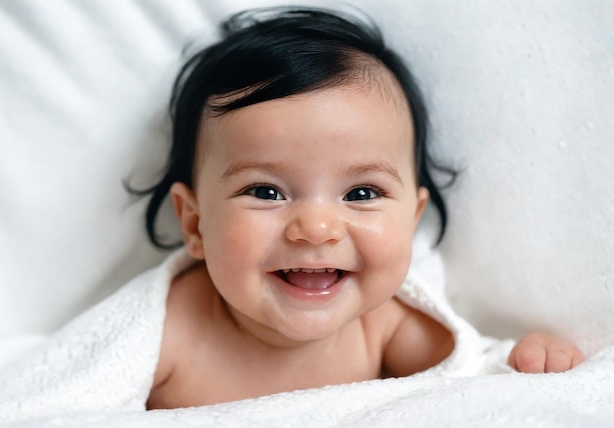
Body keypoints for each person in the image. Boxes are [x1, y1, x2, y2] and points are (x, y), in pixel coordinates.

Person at [131, 7, 585, 409]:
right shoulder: (162, 332)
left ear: (410, 220)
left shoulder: (381, 324)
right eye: (267, 192)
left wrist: (522, 366)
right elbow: (70, 398)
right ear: (195, 223)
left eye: (361, 193)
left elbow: (472, 380)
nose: (316, 228)